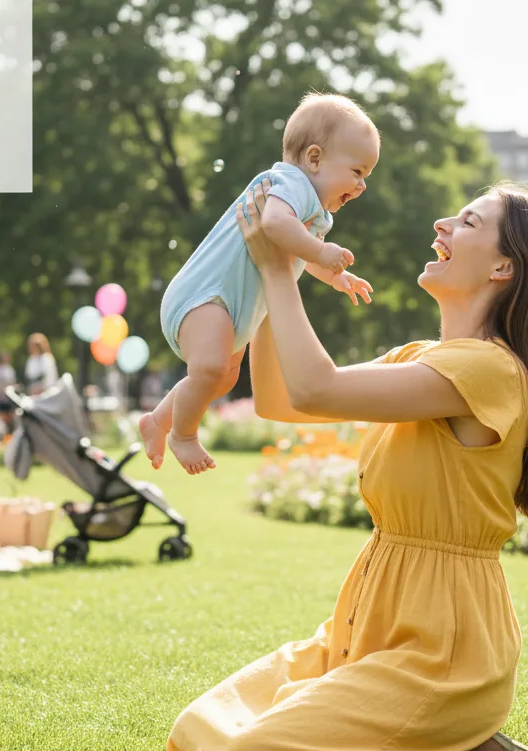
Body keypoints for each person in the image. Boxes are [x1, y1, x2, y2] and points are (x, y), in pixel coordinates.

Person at [165, 182, 528, 751]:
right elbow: (280, 398)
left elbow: (317, 387)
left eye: (469, 222)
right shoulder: (418, 356)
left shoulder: (491, 369)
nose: (444, 223)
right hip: (364, 629)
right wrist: (281, 270)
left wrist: (275, 269)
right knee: (198, 730)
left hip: (441, 653)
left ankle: (457, 745)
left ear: (504, 266)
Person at [140, 93, 377, 476]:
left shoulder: (311, 211)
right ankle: (182, 435)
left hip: (230, 311)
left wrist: (334, 274)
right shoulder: (290, 183)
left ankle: (158, 421)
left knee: (223, 376)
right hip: (205, 297)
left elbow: (293, 253)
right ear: (314, 159)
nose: (363, 185)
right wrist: (321, 252)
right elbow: (274, 227)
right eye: (357, 172)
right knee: (213, 369)